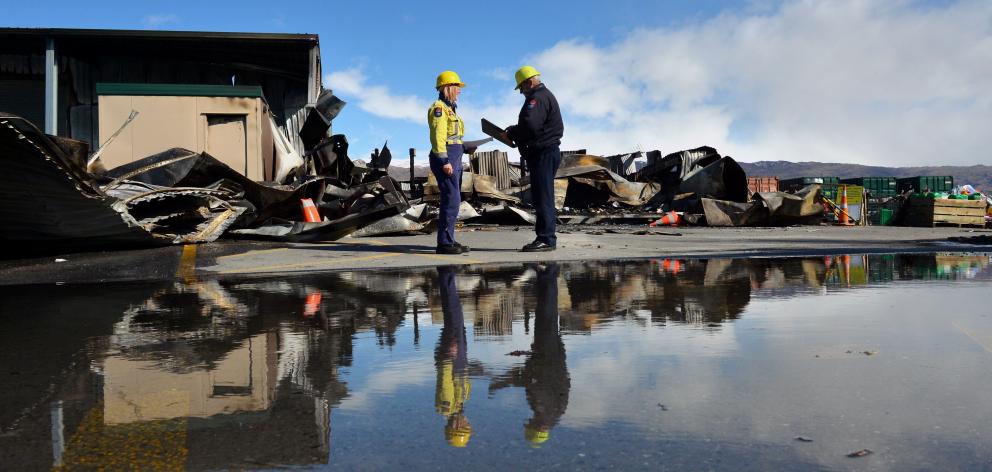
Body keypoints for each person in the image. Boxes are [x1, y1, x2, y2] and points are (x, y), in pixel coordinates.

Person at [488, 263, 570, 447]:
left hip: (553, 358)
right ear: (537, 427)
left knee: (548, 316)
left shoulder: (555, 412)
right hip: (548, 356)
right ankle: (548, 273)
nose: (529, 420)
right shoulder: (544, 409)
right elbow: (535, 381)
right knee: (546, 315)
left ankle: (547, 275)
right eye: (530, 423)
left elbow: (539, 379)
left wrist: (526, 355)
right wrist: (505, 381)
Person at [501, 66, 565, 252]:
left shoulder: (537, 98)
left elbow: (530, 125)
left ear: (529, 82)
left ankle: (546, 239)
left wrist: (512, 132)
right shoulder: (544, 96)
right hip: (545, 152)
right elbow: (532, 125)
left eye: (521, 88)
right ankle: (545, 237)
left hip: (543, 153)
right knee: (542, 196)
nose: (521, 92)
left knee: (543, 197)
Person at [428, 71, 475, 255]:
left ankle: (449, 240)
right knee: (451, 199)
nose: (460, 91)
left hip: (455, 155)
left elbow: (453, 137)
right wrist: (444, 161)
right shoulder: (439, 109)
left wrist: (465, 147)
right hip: (445, 157)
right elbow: (438, 137)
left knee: (454, 200)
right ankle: (444, 243)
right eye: (457, 87)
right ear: (448, 88)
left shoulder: (451, 109)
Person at [434, 266, 473, 447]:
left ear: (456, 426)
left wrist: (449, 356)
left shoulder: (447, 405)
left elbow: (445, 380)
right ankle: (448, 278)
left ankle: (447, 275)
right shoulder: (461, 402)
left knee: (453, 312)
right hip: (460, 358)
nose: (467, 421)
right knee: (456, 315)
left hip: (452, 356)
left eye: (464, 425)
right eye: (468, 425)